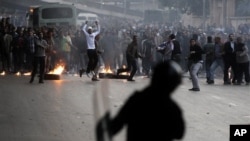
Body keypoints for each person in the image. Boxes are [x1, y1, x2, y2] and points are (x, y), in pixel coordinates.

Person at [96, 60, 185, 141]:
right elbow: (179, 133)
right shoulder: (172, 108)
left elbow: (116, 125)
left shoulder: (136, 99)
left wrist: (102, 126)